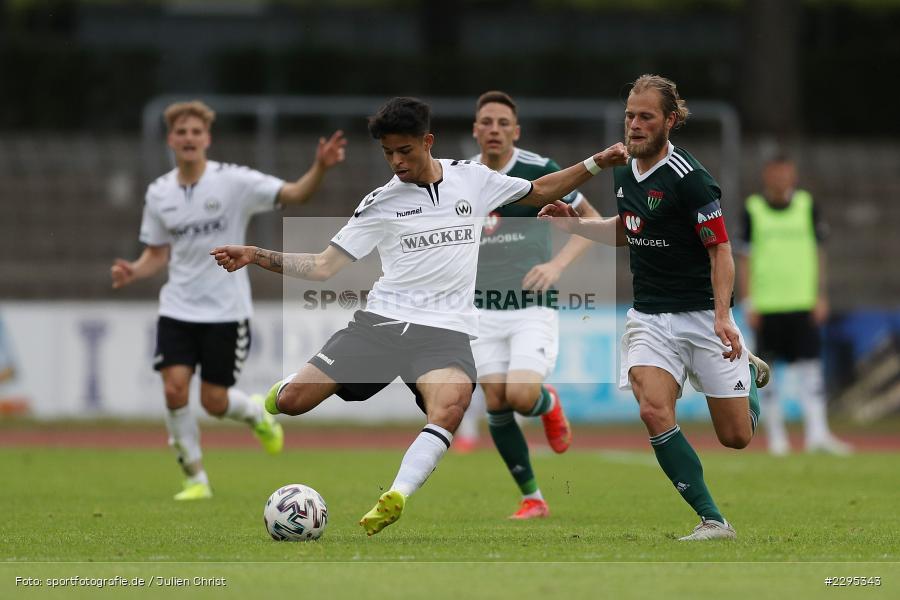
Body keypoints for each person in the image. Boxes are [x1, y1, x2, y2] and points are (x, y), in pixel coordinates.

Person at [211, 96, 628, 536]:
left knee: (450, 407)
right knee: (294, 403)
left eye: (404, 150)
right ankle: (279, 392)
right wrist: (256, 254)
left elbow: (541, 190)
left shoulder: (472, 179)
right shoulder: (380, 202)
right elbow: (322, 266)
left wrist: (597, 162)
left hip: (444, 335)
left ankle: (396, 495)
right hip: (381, 326)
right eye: (388, 153)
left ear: (427, 142)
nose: (396, 161)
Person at [539, 75, 770, 541]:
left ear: (670, 120)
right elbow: (630, 229)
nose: (635, 125)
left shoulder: (691, 179)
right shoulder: (624, 169)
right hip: (648, 317)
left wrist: (722, 317)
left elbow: (721, 250)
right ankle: (713, 520)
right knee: (653, 410)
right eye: (630, 116)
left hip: (702, 315)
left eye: (646, 117)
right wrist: (577, 226)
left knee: (736, 437)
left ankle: (745, 375)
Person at [111, 100, 347, 501]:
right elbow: (157, 253)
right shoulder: (159, 193)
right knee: (174, 390)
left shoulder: (234, 182)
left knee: (214, 402)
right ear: (171, 140)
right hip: (177, 308)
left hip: (225, 312)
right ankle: (195, 478)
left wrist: (320, 167)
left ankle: (257, 415)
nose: (188, 138)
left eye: (195, 131)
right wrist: (134, 270)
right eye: (181, 132)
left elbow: (295, 194)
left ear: (207, 138)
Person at [463, 90, 602, 520]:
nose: (494, 130)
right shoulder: (460, 177)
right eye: (487, 122)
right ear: (475, 130)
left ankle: (548, 404)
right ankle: (533, 498)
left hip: (530, 307)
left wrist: (556, 265)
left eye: (503, 123)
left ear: (516, 131)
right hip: (480, 310)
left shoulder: (541, 171)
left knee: (522, 396)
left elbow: (593, 222)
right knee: (496, 402)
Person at [738, 155, 851, 455]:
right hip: (767, 306)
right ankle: (777, 439)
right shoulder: (753, 209)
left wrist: (820, 295)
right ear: (766, 176)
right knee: (768, 373)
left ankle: (818, 434)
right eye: (775, 174)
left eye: (786, 173)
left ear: (794, 176)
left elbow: (819, 253)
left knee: (811, 370)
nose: (780, 179)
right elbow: (744, 259)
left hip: (802, 302)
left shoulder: (807, 206)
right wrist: (749, 302)